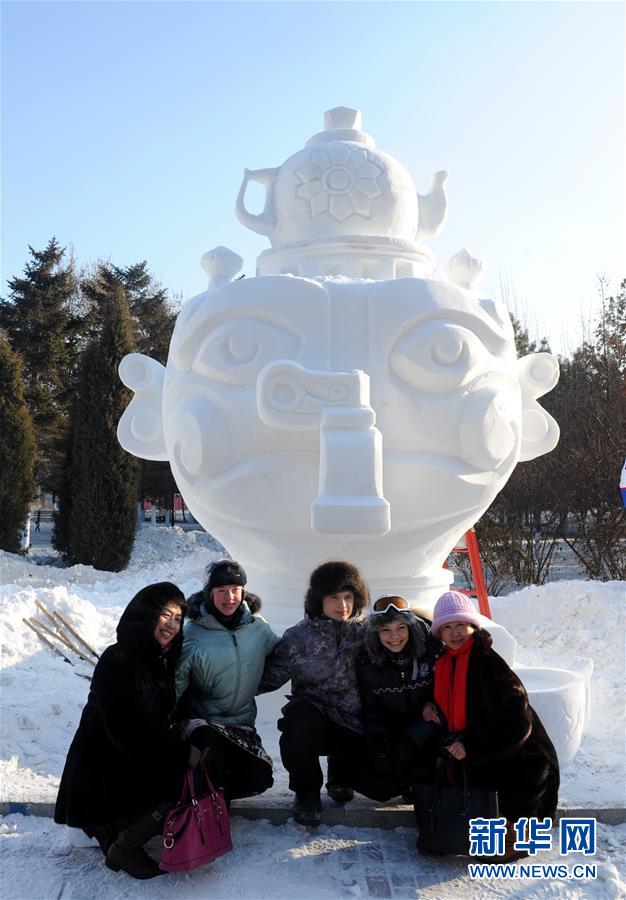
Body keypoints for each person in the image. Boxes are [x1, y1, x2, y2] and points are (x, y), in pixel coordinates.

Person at [54, 582, 192, 880]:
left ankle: (123, 832)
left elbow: (160, 714)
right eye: (165, 615)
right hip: (103, 771)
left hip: (126, 762)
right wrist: (176, 757)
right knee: (181, 778)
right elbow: (126, 731)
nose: (171, 624)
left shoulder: (159, 660)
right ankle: (124, 846)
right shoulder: (119, 659)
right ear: (145, 615)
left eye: (178, 619)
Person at [422, 590, 560, 860]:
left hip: (522, 757)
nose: (455, 632)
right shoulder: (446, 660)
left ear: (473, 626)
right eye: (447, 627)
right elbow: (449, 695)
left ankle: (518, 835)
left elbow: (517, 724)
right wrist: (428, 704)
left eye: (461, 624)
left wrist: (470, 746)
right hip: (485, 751)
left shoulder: (487, 663)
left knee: (498, 841)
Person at [260, 560, 370, 826]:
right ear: (318, 599)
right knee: (297, 723)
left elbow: (404, 639)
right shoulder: (298, 637)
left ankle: (341, 777)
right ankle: (307, 793)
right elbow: (269, 677)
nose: (342, 605)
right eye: (333, 597)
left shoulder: (367, 633)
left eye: (348, 597)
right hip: (315, 717)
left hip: (356, 721)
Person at [175, 559, 280, 804]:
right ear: (209, 594)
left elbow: (280, 658)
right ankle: (205, 801)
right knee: (213, 757)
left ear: (243, 591)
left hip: (242, 727)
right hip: (205, 725)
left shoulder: (257, 627)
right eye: (221, 591)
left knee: (260, 777)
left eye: (235, 589)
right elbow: (176, 684)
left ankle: (213, 790)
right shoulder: (193, 633)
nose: (229, 597)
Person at [356, 596, 442, 802]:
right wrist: (378, 743)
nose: (394, 636)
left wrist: (430, 706)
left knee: (426, 775)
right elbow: (370, 709)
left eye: (401, 628)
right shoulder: (367, 662)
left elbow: (447, 693)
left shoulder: (432, 651)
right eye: (386, 630)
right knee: (379, 787)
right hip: (392, 731)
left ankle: (418, 780)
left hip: (425, 732)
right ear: (375, 633)